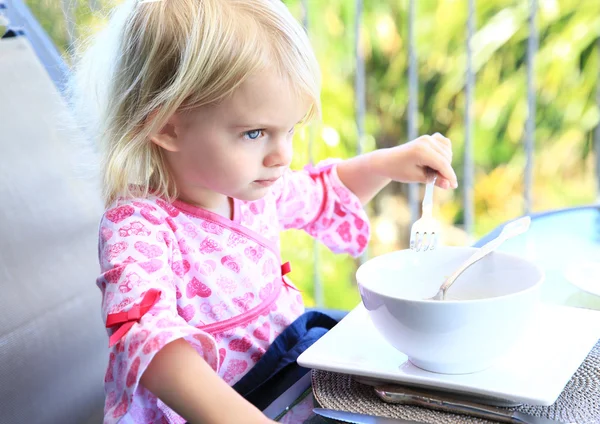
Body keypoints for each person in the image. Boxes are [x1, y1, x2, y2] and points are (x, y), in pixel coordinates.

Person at [69, 0, 458, 422]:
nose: (282, 155)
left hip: (289, 375)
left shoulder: (254, 189)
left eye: (290, 129)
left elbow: (323, 191)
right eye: (255, 133)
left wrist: (386, 163)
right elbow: (152, 344)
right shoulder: (138, 226)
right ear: (166, 126)